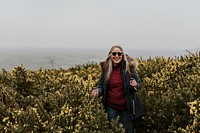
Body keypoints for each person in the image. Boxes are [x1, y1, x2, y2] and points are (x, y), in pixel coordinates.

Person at [91, 45, 143, 133]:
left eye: (119, 54)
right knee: (113, 130)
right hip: (111, 107)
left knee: (128, 130)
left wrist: (134, 85)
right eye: (114, 53)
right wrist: (97, 92)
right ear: (110, 55)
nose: (116, 56)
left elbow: (138, 83)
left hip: (126, 107)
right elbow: (101, 86)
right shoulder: (106, 69)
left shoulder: (128, 67)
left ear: (122, 55)